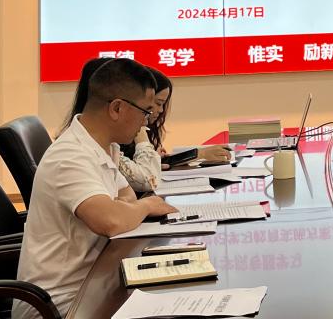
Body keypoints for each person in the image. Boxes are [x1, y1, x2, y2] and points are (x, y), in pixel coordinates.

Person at [14, 58, 178, 319]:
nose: (146, 122)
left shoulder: (104, 146)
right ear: (117, 108)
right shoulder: (69, 156)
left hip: (98, 283)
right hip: (60, 304)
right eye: (145, 112)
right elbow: (111, 221)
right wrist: (146, 206)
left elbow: (127, 197)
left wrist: (124, 209)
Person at [60, 60, 230, 191]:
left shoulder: (111, 146)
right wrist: (142, 138)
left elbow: (127, 195)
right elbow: (148, 180)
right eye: (149, 107)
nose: (153, 114)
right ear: (117, 107)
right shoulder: (75, 154)